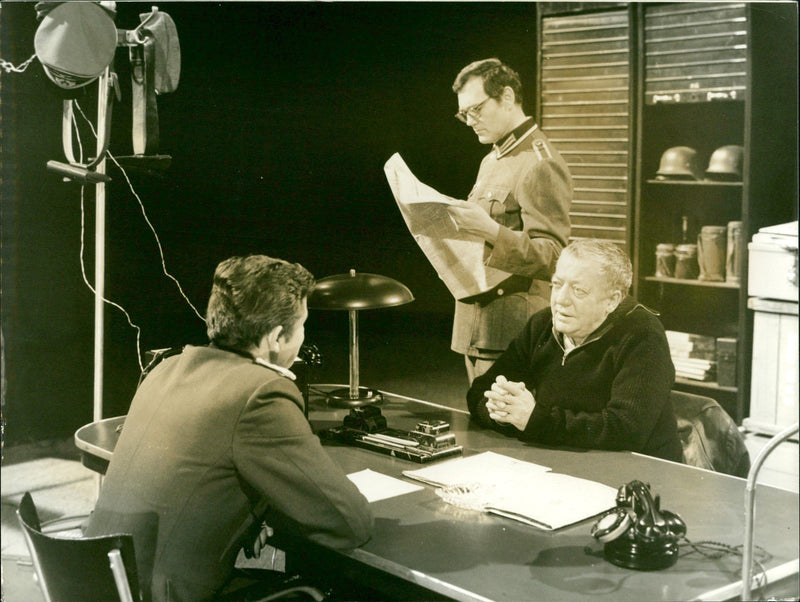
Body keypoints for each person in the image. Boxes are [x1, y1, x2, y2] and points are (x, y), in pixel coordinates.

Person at [84, 255, 373, 601]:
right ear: (277, 337)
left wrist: (261, 511)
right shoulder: (261, 392)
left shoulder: (166, 368)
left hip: (101, 585)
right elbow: (349, 522)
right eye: (303, 325)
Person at [467, 239, 683, 461]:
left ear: (612, 301)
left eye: (578, 291)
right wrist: (500, 412)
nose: (561, 300)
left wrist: (535, 420)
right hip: (562, 460)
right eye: (557, 284)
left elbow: (627, 429)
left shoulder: (643, 335)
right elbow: (479, 391)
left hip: (638, 473)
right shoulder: (542, 324)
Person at [447, 58, 572, 383]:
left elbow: (553, 257)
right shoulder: (493, 158)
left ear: (505, 97)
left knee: (501, 429)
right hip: (478, 328)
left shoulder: (539, 163)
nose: (470, 121)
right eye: (464, 114)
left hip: (511, 333)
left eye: (475, 109)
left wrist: (490, 229)